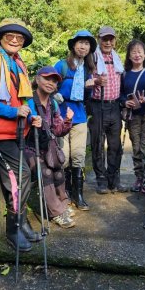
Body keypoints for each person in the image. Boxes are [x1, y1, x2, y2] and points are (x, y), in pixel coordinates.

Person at [0, 18, 42, 252]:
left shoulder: (18, 63)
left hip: (17, 130)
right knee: (19, 177)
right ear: (0, 38)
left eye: (19, 37)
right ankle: (13, 229)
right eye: (9, 36)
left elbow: (26, 97)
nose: (14, 40)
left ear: (23, 42)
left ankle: (21, 223)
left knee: (24, 175)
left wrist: (33, 115)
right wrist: (14, 112)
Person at [25, 66, 75, 229]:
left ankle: (63, 204)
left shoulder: (53, 103)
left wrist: (67, 121)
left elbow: (58, 130)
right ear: (37, 79)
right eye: (47, 78)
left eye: (54, 81)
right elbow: (25, 123)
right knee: (45, 173)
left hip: (47, 147)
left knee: (59, 172)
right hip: (30, 148)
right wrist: (32, 122)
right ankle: (56, 212)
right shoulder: (29, 101)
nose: (50, 83)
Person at [54, 30, 97, 210]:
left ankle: (78, 194)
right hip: (61, 116)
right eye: (80, 42)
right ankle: (64, 194)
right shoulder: (62, 65)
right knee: (63, 158)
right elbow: (48, 85)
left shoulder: (88, 70)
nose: (83, 46)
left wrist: (90, 87)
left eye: (87, 44)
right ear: (73, 45)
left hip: (79, 116)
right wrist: (56, 95)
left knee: (78, 155)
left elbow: (87, 96)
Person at [88, 26, 127, 194]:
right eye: (105, 39)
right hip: (98, 105)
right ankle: (101, 180)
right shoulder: (92, 58)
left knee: (115, 145)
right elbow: (85, 81)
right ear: (99, 39)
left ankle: (114, 180)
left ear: (115, 40)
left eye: (111, 39)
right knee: (97, 144)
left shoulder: (117, 58)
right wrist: (96, 82)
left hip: (114, 106)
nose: (108, 42)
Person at [120, 40, 145, 197]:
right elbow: (120, 93)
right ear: (128, 55)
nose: (137, 54)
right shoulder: (124, 74)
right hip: (132, 117)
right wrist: (124, 101)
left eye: (139, 51)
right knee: (136, 149)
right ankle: (139, 178)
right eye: (133, 52)